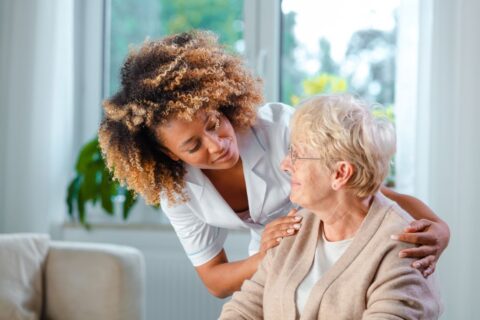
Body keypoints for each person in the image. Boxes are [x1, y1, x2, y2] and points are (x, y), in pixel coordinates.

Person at [98, 30, 449, 298]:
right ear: (172, 156)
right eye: (193, 146)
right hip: (274, 264)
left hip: (344, 246)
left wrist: (438, 227)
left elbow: (365, 188)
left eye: (213, 122)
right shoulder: (177, 189)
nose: (218, 144)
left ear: (219, 101)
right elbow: (215, 280)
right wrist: (265, 256)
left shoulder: (282, 129)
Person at [220, 94, 442, 319]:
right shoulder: (295, 227)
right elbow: (244, 308)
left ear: (340, 173)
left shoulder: (402, 249)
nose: (285, 164)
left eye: (297, 154)